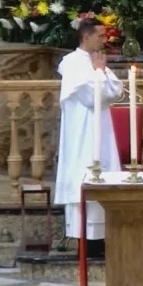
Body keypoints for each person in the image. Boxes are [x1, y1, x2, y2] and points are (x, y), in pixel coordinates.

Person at [54, 18, 124, 259]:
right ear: (86, 37)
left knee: (104, 176)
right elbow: (92, 95)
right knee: (85, 177)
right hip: (83, 133)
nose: (105, 40)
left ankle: (103, 239)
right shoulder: (72, 64)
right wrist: (99, 73)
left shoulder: (96, 62)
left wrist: (101, 72)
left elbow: (116, 90)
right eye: (100, 36)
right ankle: (86, 242)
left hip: (100, 130)